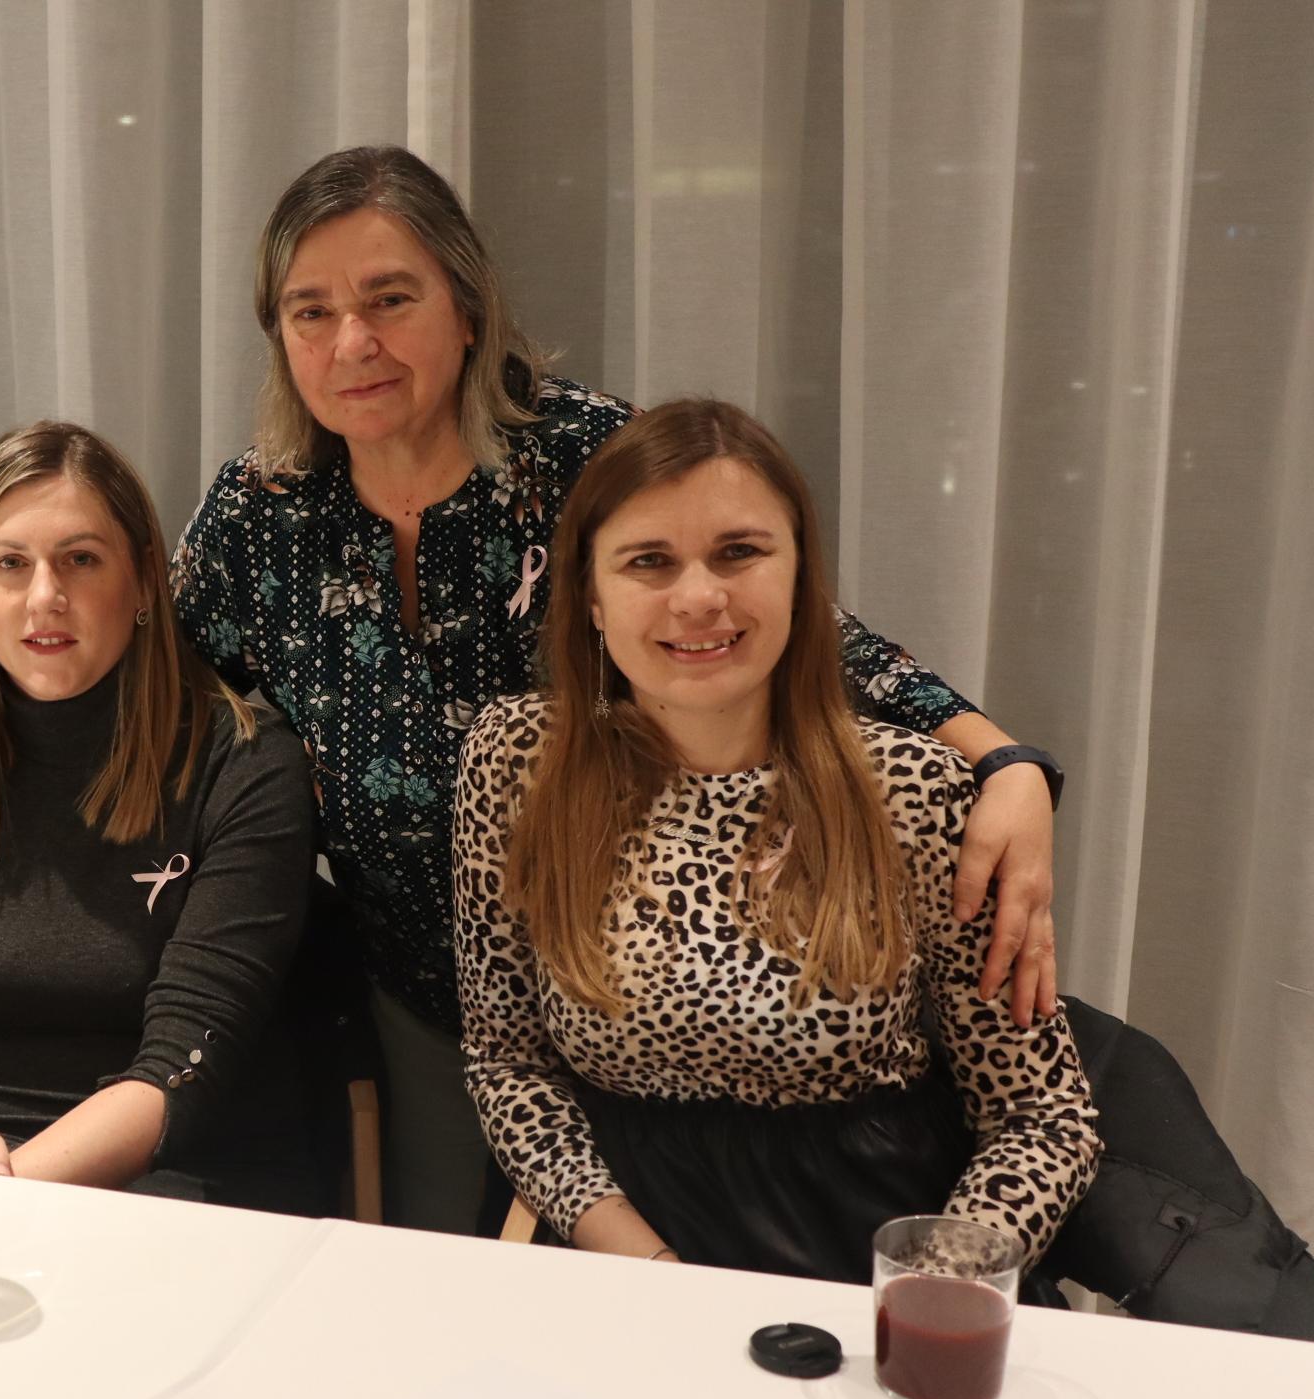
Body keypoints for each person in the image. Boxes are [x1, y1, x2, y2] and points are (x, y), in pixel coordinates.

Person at [168, 145, 1067, 1234]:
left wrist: (1003, 761)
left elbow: (783, 624)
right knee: (446, 1284)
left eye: (389, 298)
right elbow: (154, 700)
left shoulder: (588, 454)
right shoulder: (260, 510)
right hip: (415, 995)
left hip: (630, 1001)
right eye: (310, 312)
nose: (351, 341)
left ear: (467, 308)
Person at [452, 398, 1100, 1277]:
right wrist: (652, 1270)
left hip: (864, 1258)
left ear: (802, 581)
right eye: (648, 561)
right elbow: (508, 1064)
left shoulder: (916, 793)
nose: (699, 598)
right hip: (619, 1254)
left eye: (739, 553)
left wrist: (929, 1289)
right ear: (592, 600)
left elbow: (1042, 1118)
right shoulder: (516, 762)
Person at [0, 421, 327, 1211]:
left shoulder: (248, 767)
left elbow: (183, 1070)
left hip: (187, 1182)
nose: (44, 596)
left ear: (145, 581)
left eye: (80, 559)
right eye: (10, 564)